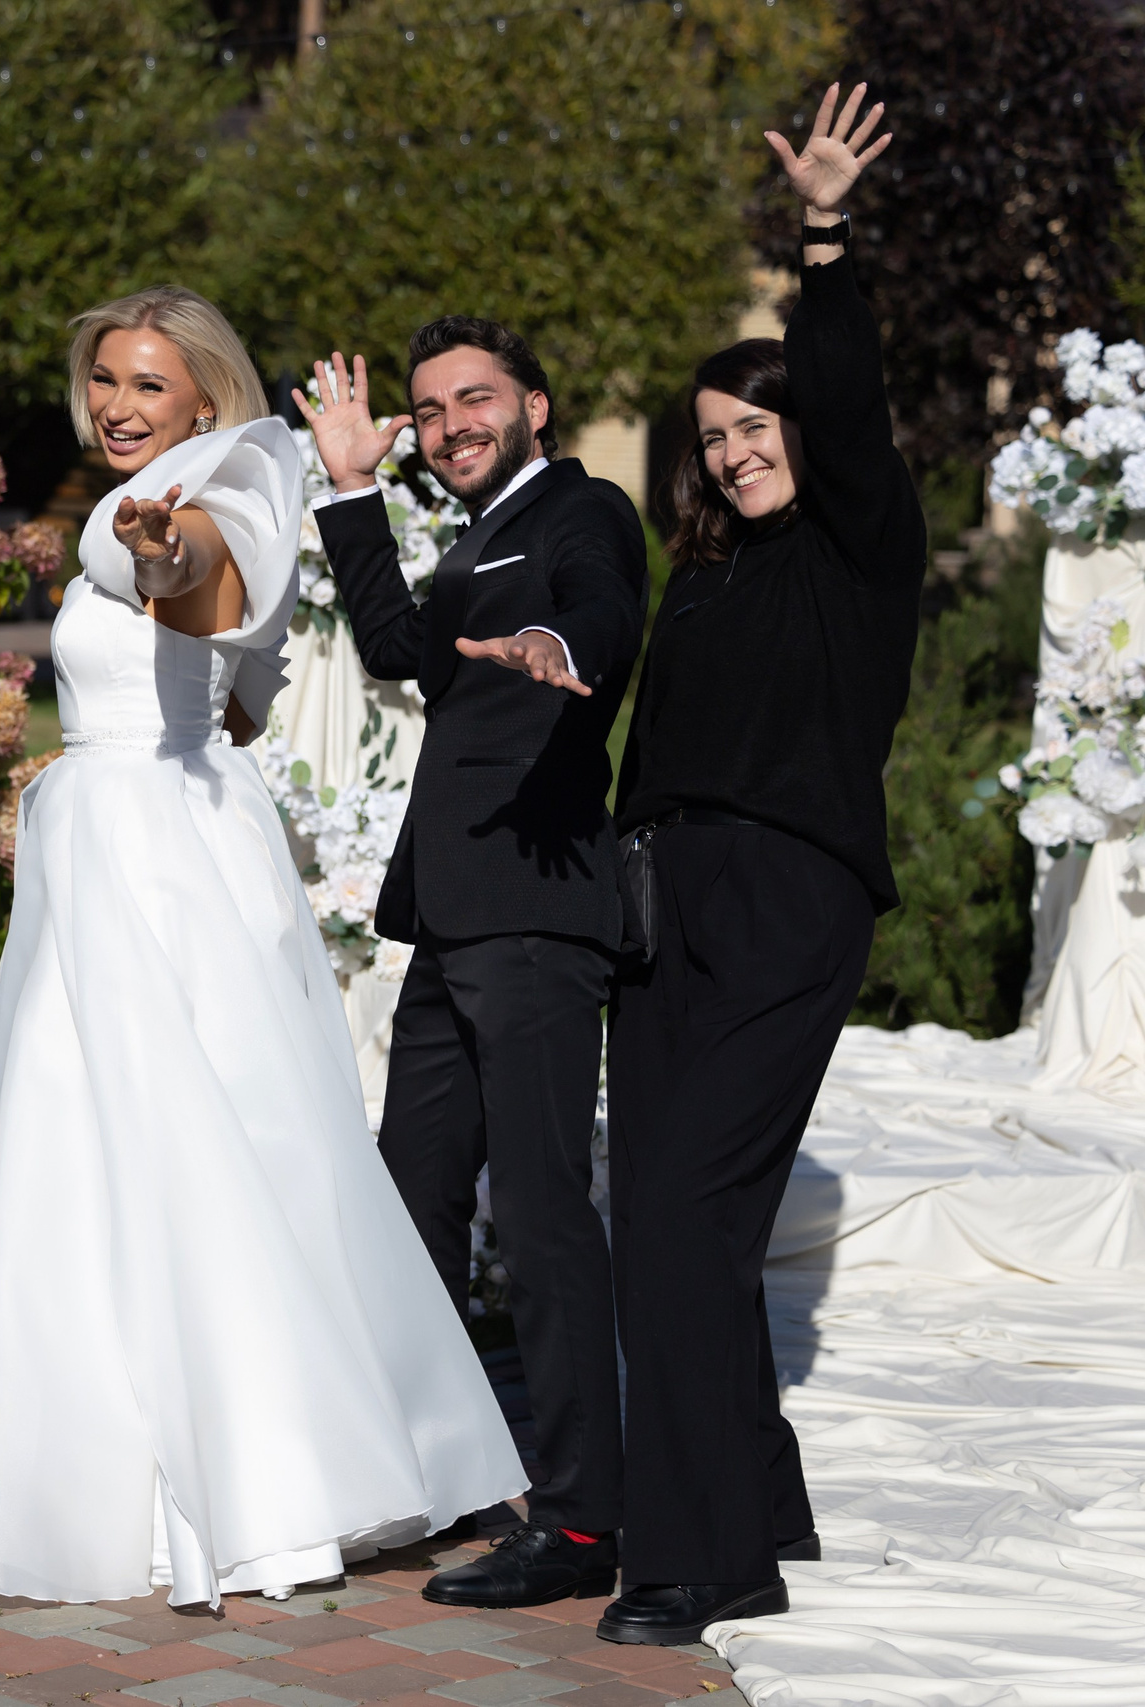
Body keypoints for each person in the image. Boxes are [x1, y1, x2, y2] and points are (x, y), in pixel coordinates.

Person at [0, 285, 527, 1606]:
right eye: (107, 380)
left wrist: (162, 553)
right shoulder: (169, 486)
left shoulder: (216, 496)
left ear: (203, 396)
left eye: (149, 384)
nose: (121, 404)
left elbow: (199, 588)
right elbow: (230, 699)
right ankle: (85, 1454)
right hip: (123, 842)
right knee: (86, 1149)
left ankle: (248, 1467)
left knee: (190, 1147)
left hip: (154, 865)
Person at [600, 84, 912, 1647]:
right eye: (712, 437)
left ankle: (704, 1553)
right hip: (661, 913)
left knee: (674, 1215)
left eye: (756, 425)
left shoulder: (860, 557)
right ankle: (758, 1485)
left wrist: (828, 240)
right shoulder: (703, 585)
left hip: (788, 900)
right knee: (676, 1221)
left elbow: (851, 405)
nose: (731, 456)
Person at [296, 318, 646, 1608]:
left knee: (542, 1213)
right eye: (431, 409)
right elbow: (396, 647)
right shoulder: (472, 533)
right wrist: (346, 485)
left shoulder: (574, 511)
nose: (451, 423)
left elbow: (601, 599)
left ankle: (579, 1523)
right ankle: (430, 1469)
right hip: (454, 915)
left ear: (535, 407)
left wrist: (571, 650)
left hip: (539, 908)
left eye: (476, 399)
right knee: (413, 1196)